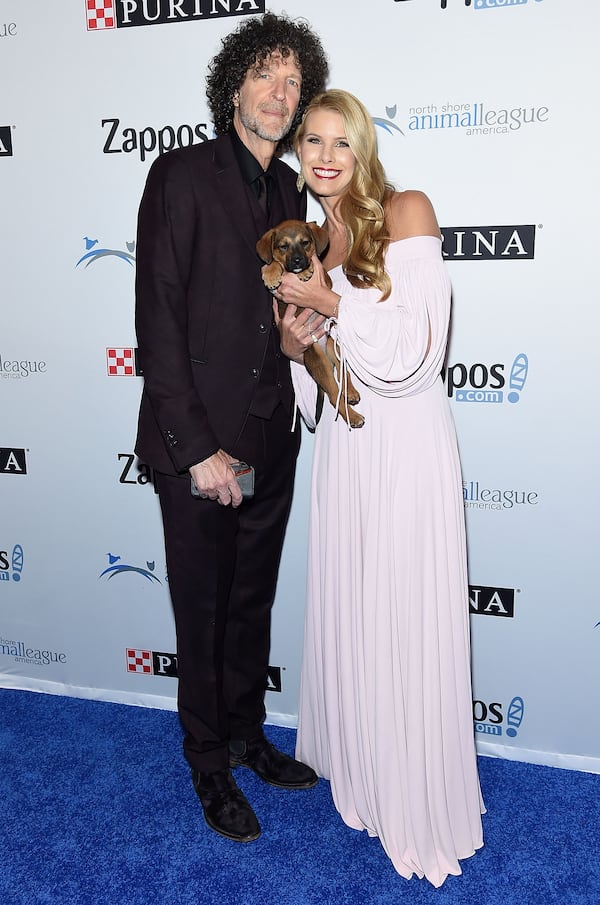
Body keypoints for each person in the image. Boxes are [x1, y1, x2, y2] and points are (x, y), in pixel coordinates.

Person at [275, 90, 485, 887]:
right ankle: (366, 765)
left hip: (408, 449)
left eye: (342, 141)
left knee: (404, 605)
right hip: (354, 458)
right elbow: (335, 397)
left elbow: (415, 356)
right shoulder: (314, 242)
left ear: (363, 148)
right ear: (301, 154)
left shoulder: (407, 210)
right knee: (361, 607)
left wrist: (328, 303)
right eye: (313, 142)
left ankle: (415, 790)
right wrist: (301, 351)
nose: (326, 156)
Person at [134, 14, 328, 844]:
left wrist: (299, 337)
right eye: (266, 77)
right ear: (233, 87)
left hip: (270, 432)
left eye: (293, 82)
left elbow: (282, 318)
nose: (281, 96)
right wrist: (197, 449)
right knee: (203, 609)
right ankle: (208, 761)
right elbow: (159, 316)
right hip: (202, 444)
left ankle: (247, 735)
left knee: (251, 600)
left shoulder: (291, 193)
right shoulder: (178, 174)